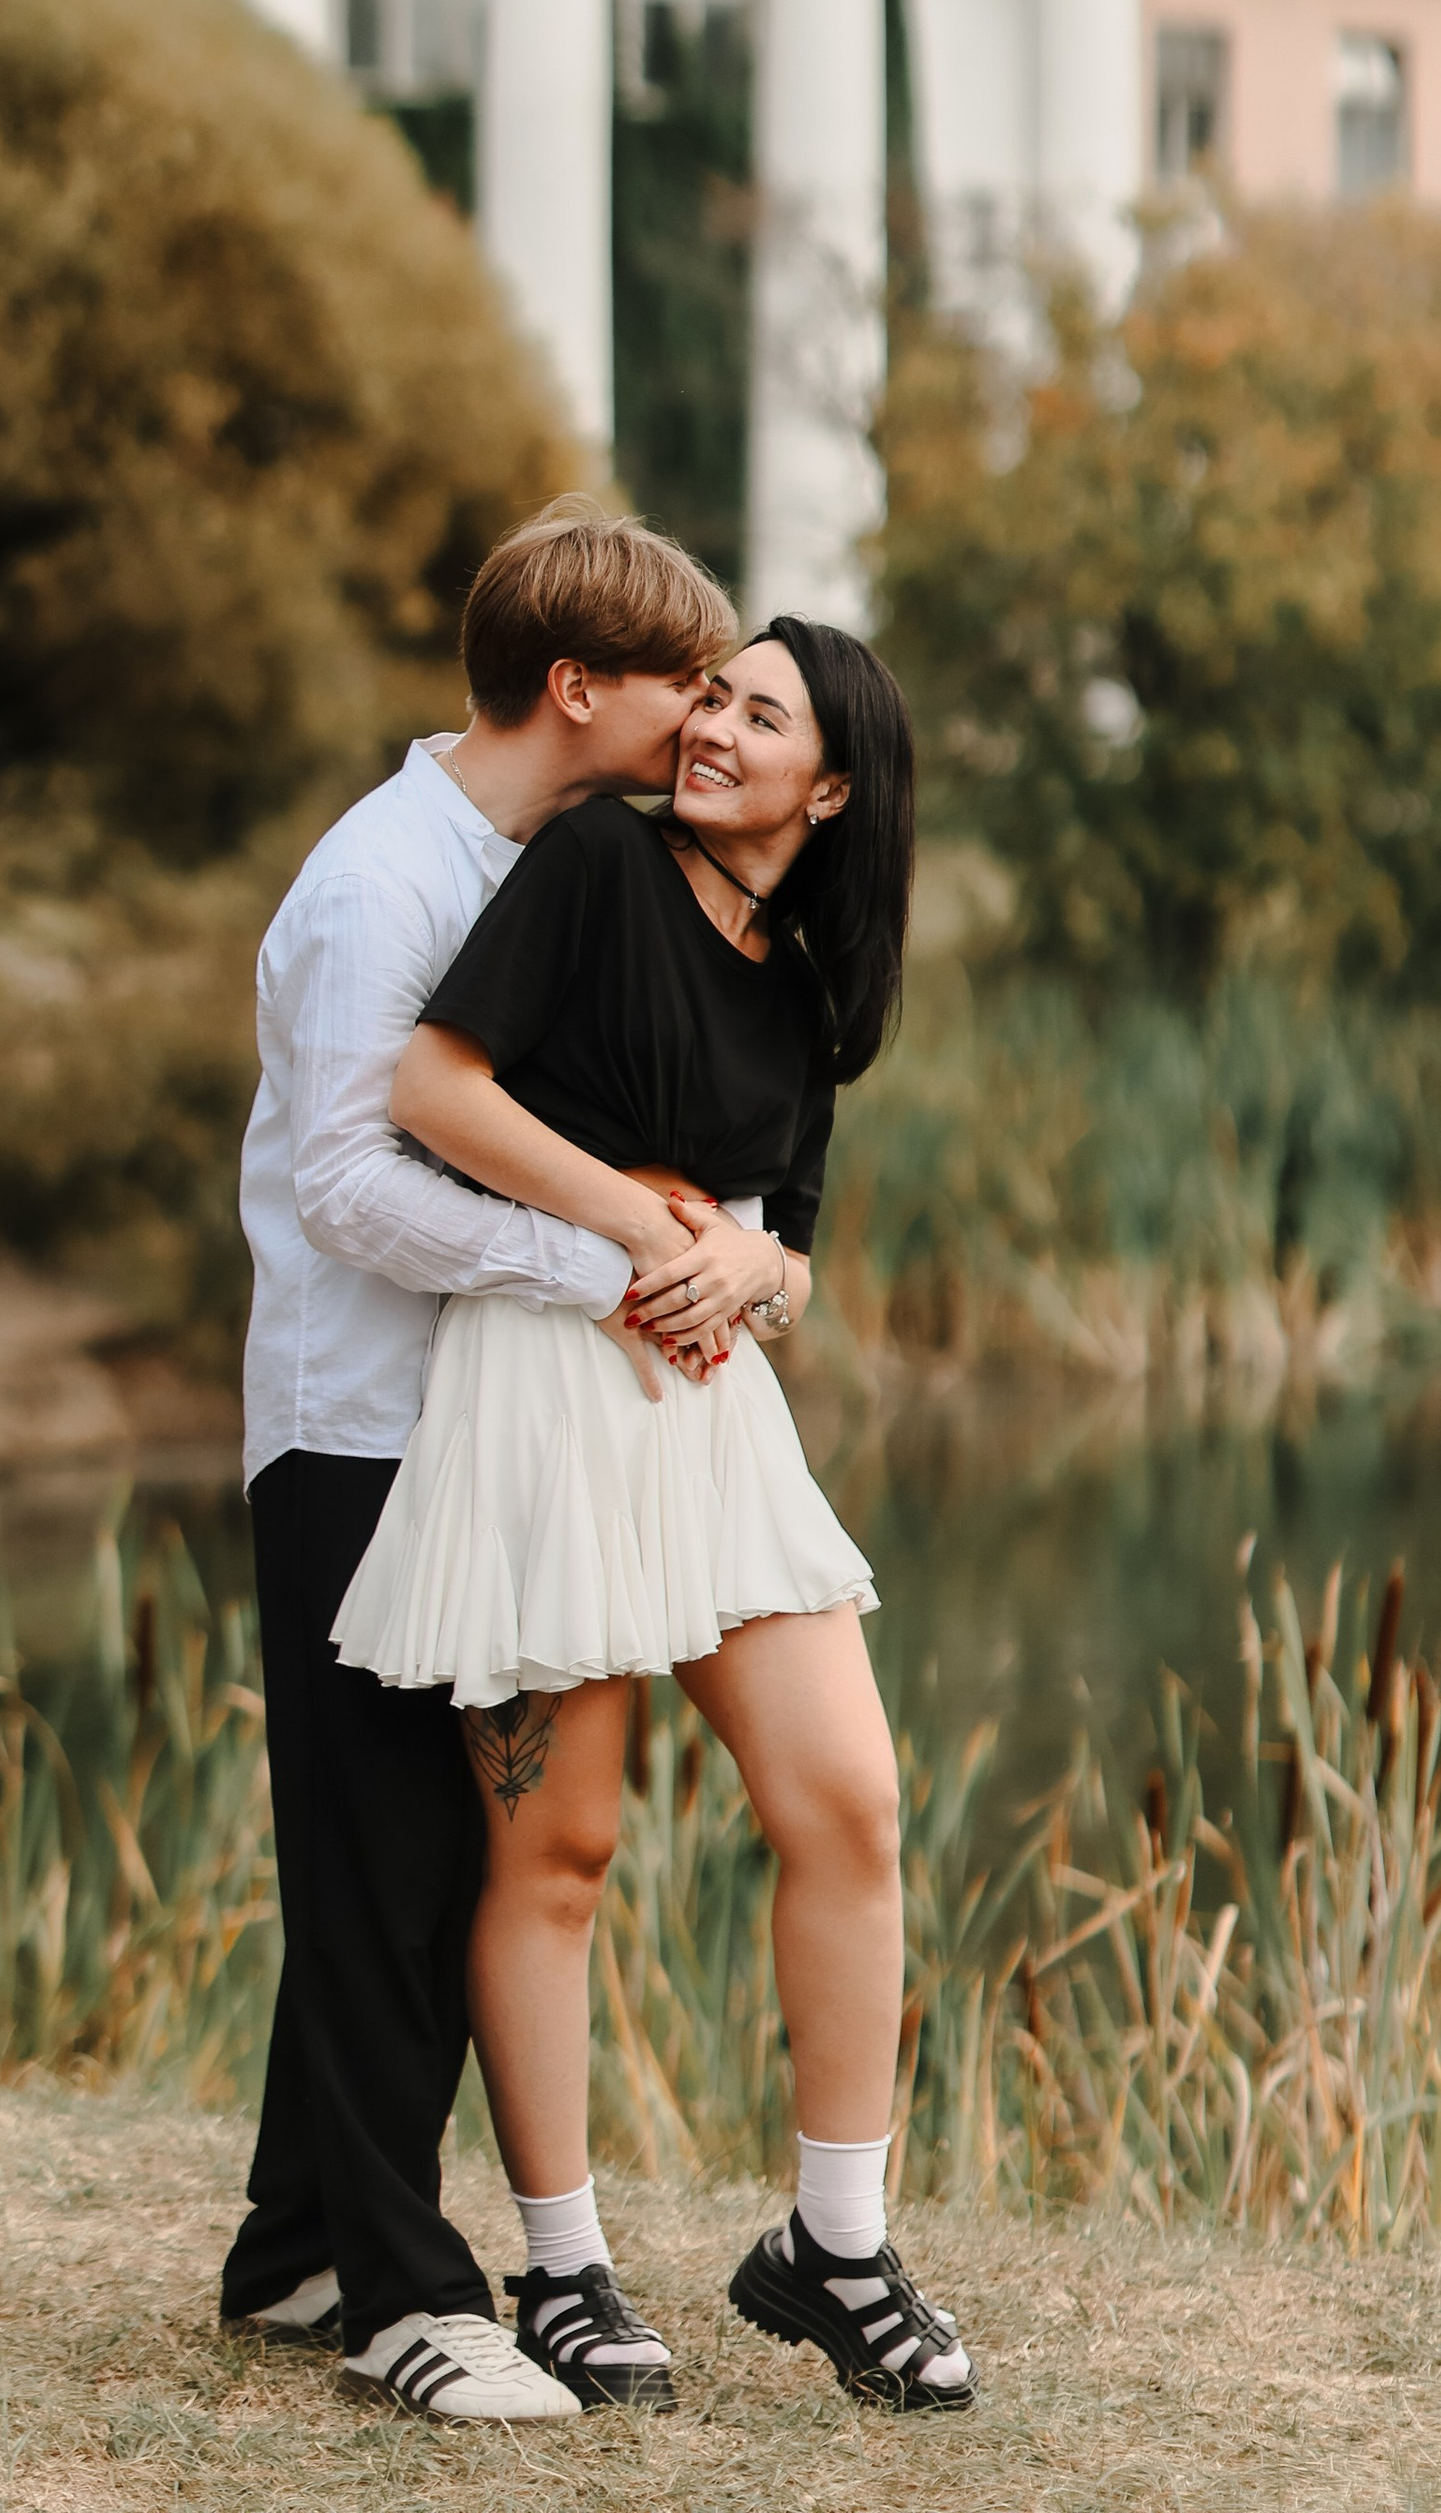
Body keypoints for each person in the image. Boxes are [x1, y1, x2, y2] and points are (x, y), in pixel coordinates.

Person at [335, 616, 978, 2415]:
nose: (709, 728)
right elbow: (430, 1091)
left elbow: (788, 1255)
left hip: (711, 1429)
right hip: (538, 1394)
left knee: (848, 1798)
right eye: (711, 697)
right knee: (565, 1849)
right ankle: (566, 2271)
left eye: (757, 714)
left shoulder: (813, 980)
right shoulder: (600, 867)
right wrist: (642, 1224)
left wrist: (746, 1273)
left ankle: (834, 2248)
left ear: (830, 786)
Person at [217, 499, 737, 2427]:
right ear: (574, 688)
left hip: (453, 1431)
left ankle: (293, 2250)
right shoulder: (382, 880)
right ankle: (405, 2302)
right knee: (386, 1854)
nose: (704, 716)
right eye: (684, 684)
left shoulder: (532, 868)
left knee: (419, 1849)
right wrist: (595, 1264)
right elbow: (351, 1184)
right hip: (353, 1428)